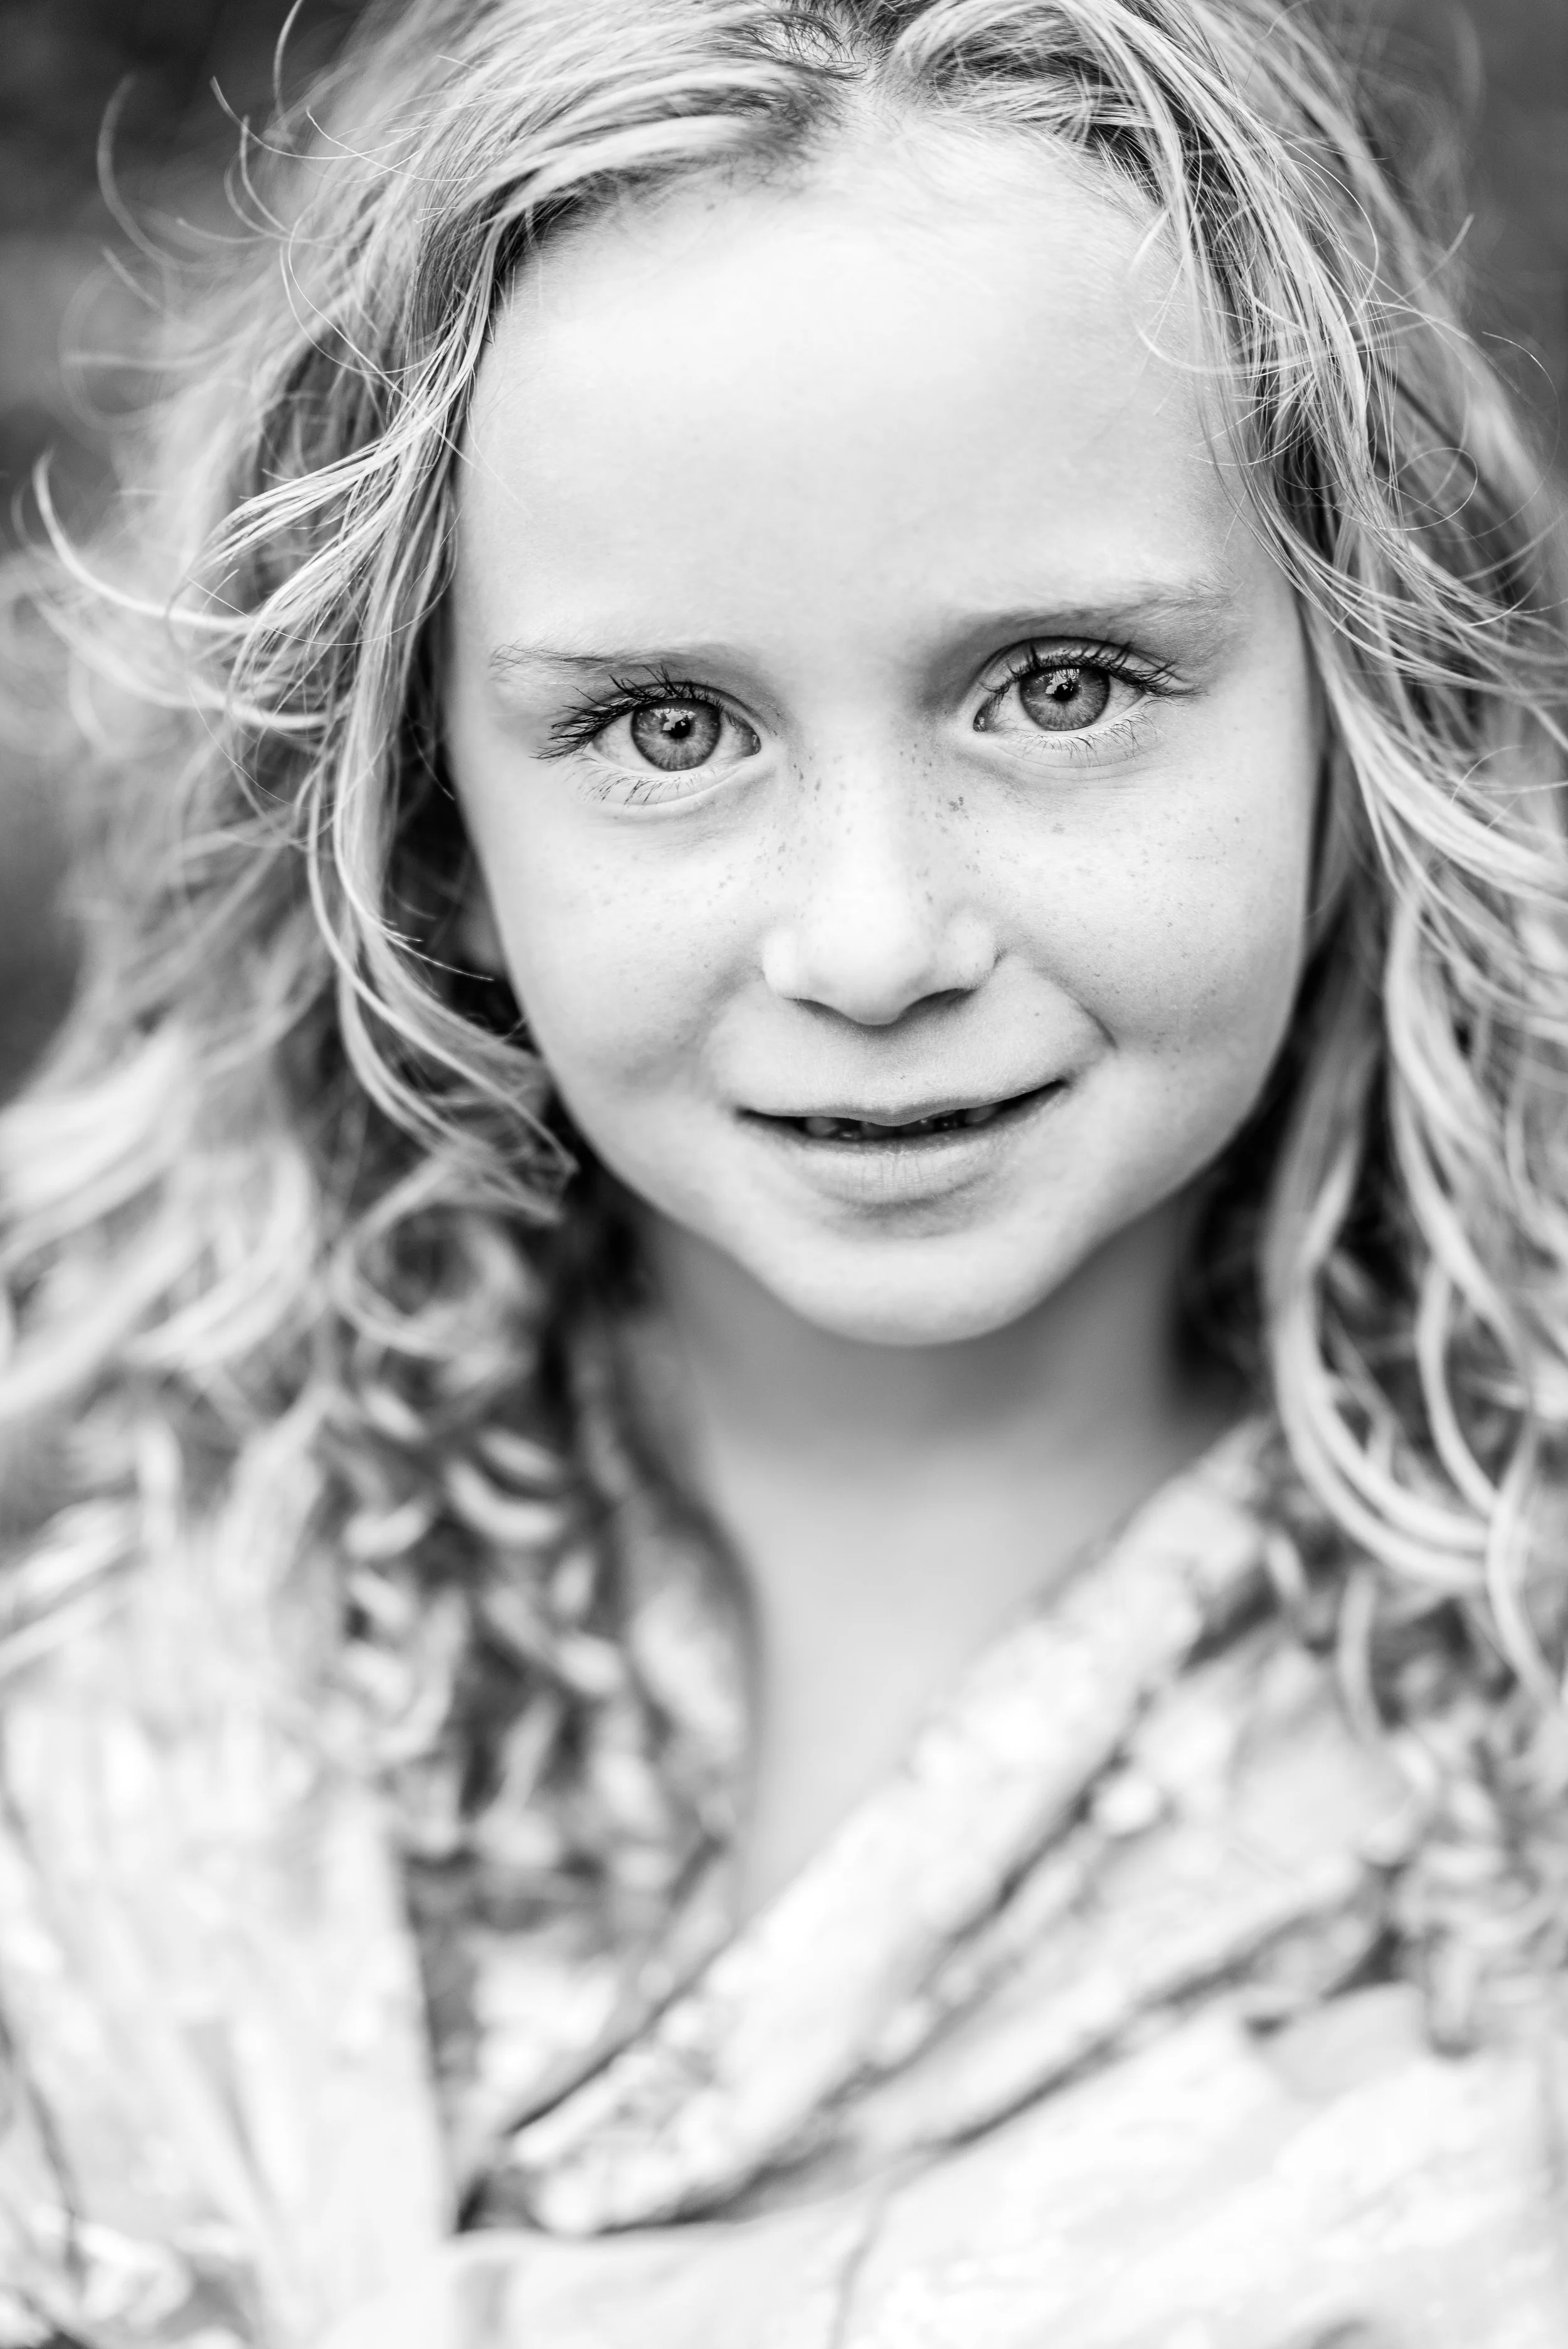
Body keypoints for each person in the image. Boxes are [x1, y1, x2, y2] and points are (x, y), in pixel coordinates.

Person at [1, 0, 1565, 2340]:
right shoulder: (88, 1579)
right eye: (661, 729)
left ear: (1367, 696)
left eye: (1058, 686)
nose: (870, 941)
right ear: (423, 816)